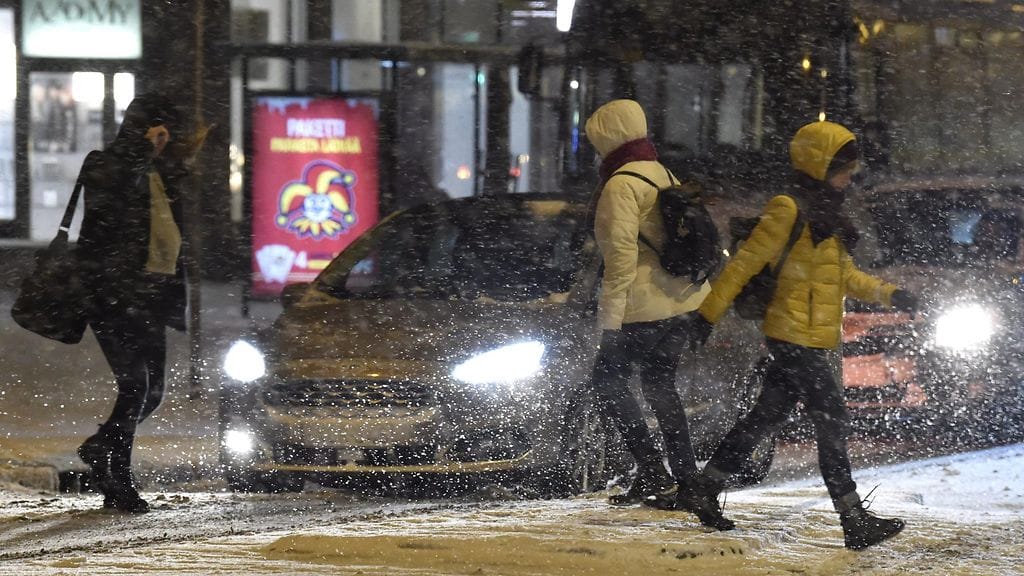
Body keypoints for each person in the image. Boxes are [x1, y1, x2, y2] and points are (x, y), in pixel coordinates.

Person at [676, 120, 918, 548]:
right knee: (832, 417)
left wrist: (890, 294)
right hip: (791, 335)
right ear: (820, 166)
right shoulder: (788, 209)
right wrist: (706, 316)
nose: (848, 178)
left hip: (812, 338)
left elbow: (846, 277)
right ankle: (852, 517)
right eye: (843, 170)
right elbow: (743, 266)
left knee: (765, 417)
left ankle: (704, 487)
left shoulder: (830, 216)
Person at [583, 99, 714, 512]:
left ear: (605, 138)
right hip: (682, 301)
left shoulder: (620, 184)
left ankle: (654, 471)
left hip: (644, 306)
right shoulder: (662, 172)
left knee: (607, 383)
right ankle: (687, 478)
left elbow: (620, 261)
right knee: (660, 386)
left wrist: (609, 322)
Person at [75, 94, 194, 513]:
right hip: (112, 295)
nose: (167, 140)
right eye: (162, 132)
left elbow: (167, 229)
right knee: (135, 385)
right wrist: (140, 149)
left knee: (153, 391)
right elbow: (111, 202)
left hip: (152, 295)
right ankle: (119, 481)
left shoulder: (157, 171)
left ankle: (101, 446)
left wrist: (171, 161)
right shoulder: (105, 164)